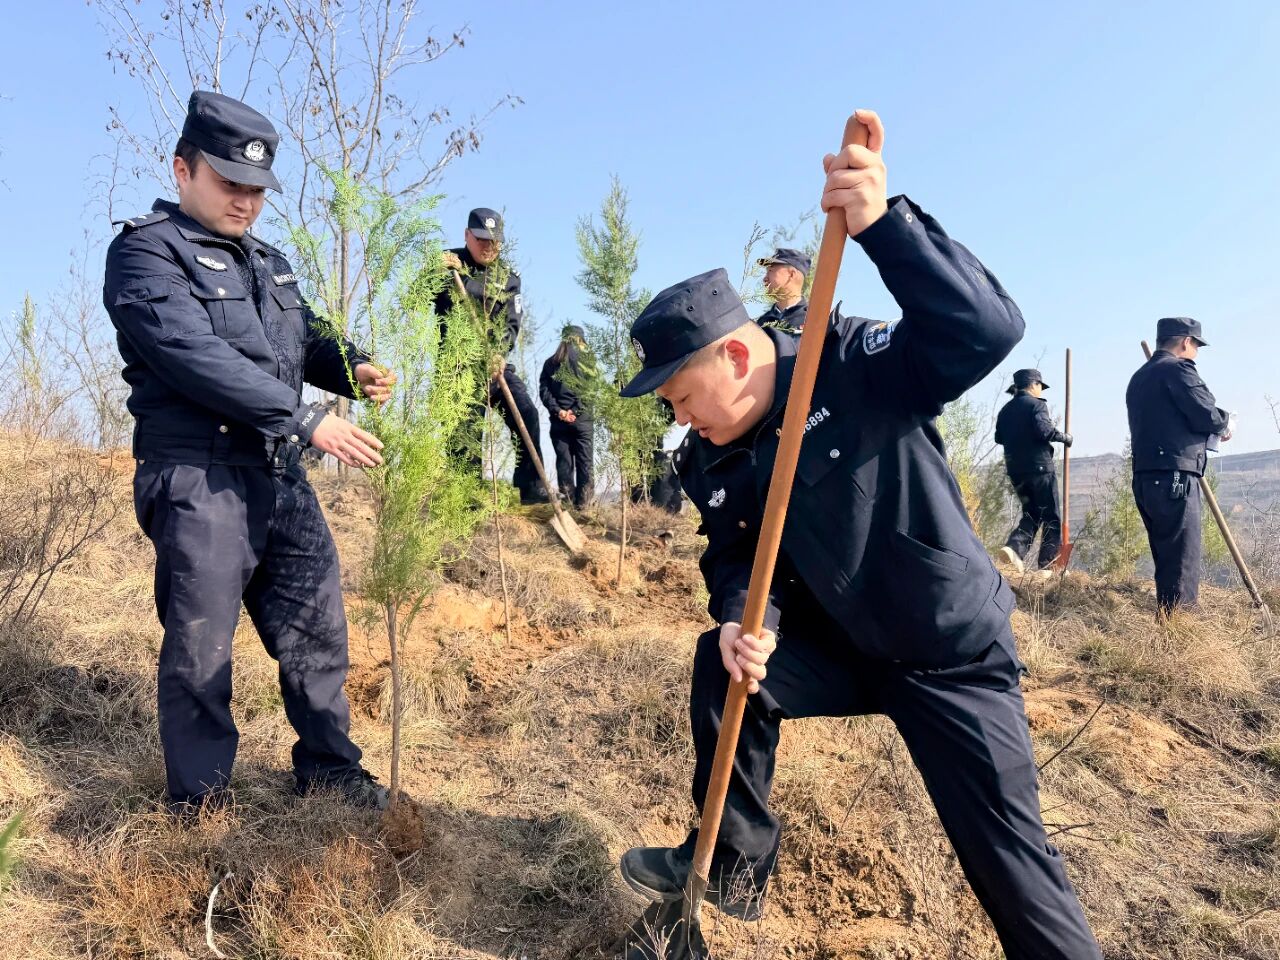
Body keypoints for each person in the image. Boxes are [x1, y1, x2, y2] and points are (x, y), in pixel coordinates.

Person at [616, 110, 1100, 959]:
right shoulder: (709, 451)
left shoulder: (847, 363)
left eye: (681, 396)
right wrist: (740, 617)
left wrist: (884, 227)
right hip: (840, 644)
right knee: (724, 666)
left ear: (735, 359)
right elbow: (734, 552)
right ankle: (730, 868)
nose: (679, 417)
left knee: (1011, 868)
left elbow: (986, 330)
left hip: (946, 651)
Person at [103, 91, 394, 811]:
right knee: (201, 647)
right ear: (182, 170)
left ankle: (331, 771)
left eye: (258, 189)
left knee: (317, 625)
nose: (247, 201)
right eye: (230, 182)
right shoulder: (146, 253)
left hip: (278, 472)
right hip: (199, 475)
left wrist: (351, 365)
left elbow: (301, 338)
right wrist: (304, 417)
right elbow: (193, 355)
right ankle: (201, 805)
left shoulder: (268, 260)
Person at [435, 207, 548, 504]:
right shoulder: (447, 265)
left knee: (527, 414)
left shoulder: (508, 278)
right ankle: (466, 500)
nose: (489, 246)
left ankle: (532, 492)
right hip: (457, 368)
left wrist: (499, 352)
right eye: (482, 239)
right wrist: (432, 273)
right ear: (467, 235)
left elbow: (512, 323)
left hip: (494, 365)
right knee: (465, 435)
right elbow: (413, 299)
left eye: (495, 241)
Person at [1126, 317, 1231, 614]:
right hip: (1175, 477)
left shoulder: (1139, 377)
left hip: (1146, 477)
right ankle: (1182, 631)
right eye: (1196, 345)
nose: (1196, 351)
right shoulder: (1179, 370)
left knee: (1167, 559)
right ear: (1186, 341)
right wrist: (1224, 423)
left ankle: (1168, 624)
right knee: (1182, 560)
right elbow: (1206, 414)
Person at [995, 368, 1072, 573]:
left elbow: (999, 438)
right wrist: (1064, 437)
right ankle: (1049, 564)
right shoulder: (1037, 405)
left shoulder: (1005, 410)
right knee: (1051, 517)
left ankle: (1014, 550)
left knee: (1032, 514)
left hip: (1016, 471)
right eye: (1040, 386)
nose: (1040, 390)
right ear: (1034, 385)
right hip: (1039, 469)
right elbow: (1044, 431)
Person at [539, 324, 594, 508]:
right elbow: (589, 392)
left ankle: (568, 505)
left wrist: (560, 411)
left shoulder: (550, 363)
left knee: (564, 463)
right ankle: (584, 507)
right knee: (585, 463)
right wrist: (575, 412)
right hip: (582, 422)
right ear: (579, 339)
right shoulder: (587, 362)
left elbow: (544, 392)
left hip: (559, 422)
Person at [754, 247, 810, 332]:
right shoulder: (762, 323)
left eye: (771, 271)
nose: (765, 278)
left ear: (791, 274)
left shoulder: (813, 319)